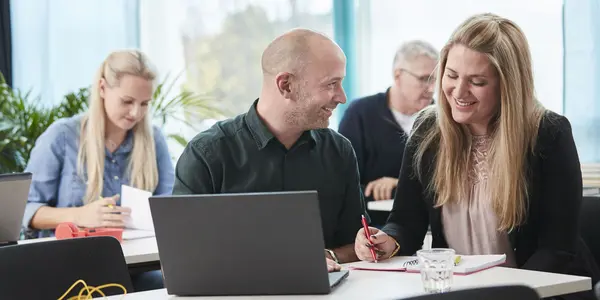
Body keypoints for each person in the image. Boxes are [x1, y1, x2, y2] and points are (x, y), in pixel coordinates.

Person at [355, 13, 599, 299]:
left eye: (477, 82)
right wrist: (388, 241)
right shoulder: (428, 130)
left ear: (508, 84)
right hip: (462, 291)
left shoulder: (548, 133)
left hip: (540, 292)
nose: (458, 91)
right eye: (452, 75)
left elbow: (557, 249)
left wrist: (507, 293)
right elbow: (406, 222)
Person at [173, 28, 366, 272]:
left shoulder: (339, 151)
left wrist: (328, 257)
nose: (342, 97)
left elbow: (355, 243)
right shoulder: (207, 154)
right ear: (286, 85)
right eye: (331, 84)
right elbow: (183, 256)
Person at [22, 49, 175, 291]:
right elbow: (26, 210)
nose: (136, 113)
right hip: (70, 268)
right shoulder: (62, 136)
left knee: (171, 288)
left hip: (136, 266)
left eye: (144, 103)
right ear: (103, 88)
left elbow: (171, 205)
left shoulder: (154, 139)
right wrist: (79, 215)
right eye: (127, 101)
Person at [338, 40, 438, 226]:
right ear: (398, 75)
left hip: (429, 230)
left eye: (435, 79)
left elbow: (446, 185)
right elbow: (343, 185)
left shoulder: (441, 119)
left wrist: (398, 184)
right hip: (373, 229)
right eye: (424, 79)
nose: (431, 88)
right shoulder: (360, 114)